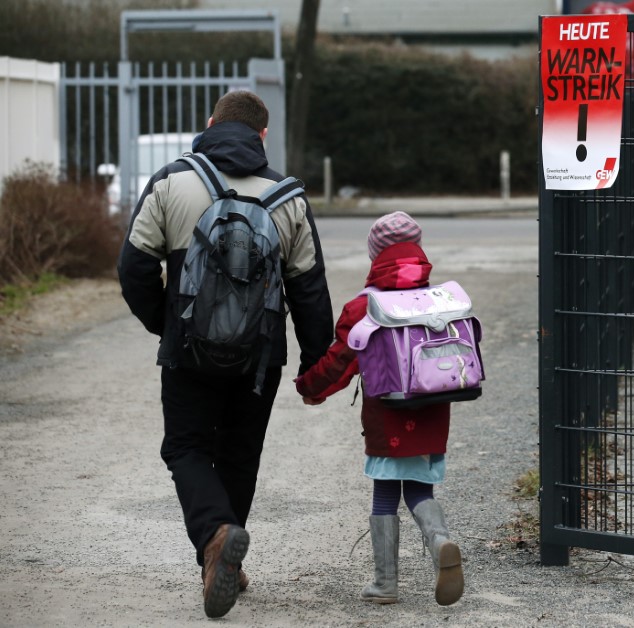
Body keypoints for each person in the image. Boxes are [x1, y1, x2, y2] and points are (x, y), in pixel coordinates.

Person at [117, 90, 334, 619]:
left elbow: (134, 268)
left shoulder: (173, 181)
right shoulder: (288, 198)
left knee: (186, 448)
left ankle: (216, 537)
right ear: (263, 135)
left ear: (209, 124)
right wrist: (314, 367)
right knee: (239, 454)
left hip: (188, 349)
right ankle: (224, 560)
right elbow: (309, 290)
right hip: (258, 358)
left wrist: (164, 323)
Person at [294, 211, 464, 606]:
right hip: (433, 409)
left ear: (376, 256)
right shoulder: (437, 301)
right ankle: (440, 541)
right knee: (420, 488)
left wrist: (310, 388)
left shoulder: (366, 308)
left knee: (386, 492)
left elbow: (339, 361)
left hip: (387, 414)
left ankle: (386, 584)